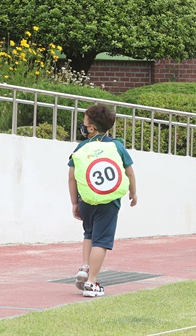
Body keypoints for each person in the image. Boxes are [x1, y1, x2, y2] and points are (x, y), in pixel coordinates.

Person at [68, 104, 137, 297]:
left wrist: (75, 202)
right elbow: (129, 172)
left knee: (89, 234)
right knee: (102, 240)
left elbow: (72, 177)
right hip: (109, 200)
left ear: (91, 129)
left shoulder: (81, 147)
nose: (82, 126)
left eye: (84, 123)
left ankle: (85, 268)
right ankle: (91, 283)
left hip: (86, 199)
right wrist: (133, 193)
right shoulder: (117, 146)